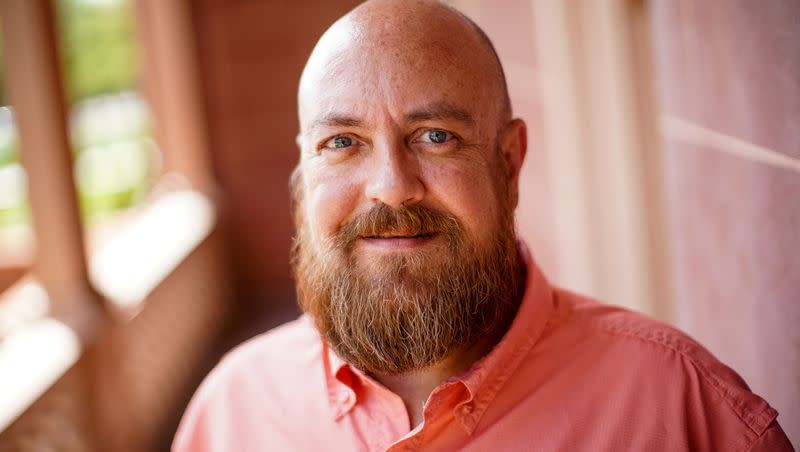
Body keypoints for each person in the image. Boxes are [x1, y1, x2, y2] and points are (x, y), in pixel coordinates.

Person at [172, 1, 793, 450]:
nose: (391, 185)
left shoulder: (689, 414)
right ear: (304, 177)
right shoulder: (229, 415)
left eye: (436, 136)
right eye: (342, 142)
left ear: (509, 161)